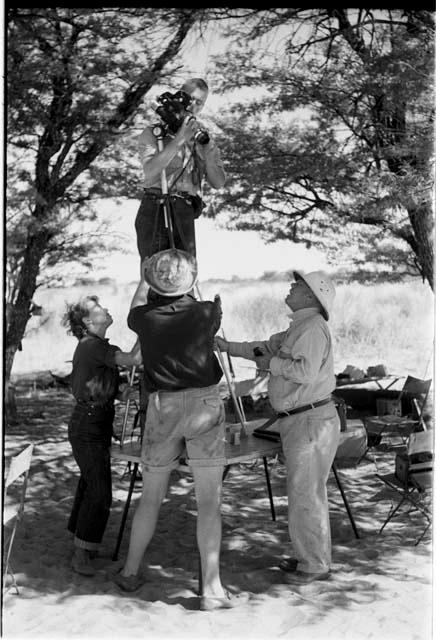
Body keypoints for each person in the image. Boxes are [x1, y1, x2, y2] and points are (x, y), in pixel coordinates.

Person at [112, 249, 244, 611]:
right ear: (190, 279)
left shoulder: (144, 318)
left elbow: (136, 305)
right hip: (203, 403)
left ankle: (130, 571)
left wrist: (144, 277)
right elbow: (203, 301)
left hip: (162, 405)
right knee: (208, 502)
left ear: (154, 282)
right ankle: (212, 589)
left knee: (151, 495)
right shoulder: (207, 312)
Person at [215, 270, 340, 584]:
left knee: (306, 494)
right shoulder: (299, 326)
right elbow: (263, 348)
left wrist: (271, 364)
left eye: (298, 285)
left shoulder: (312, 328)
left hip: (309, 420)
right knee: (304, 493)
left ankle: (314, 565)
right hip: (301, 419)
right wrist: (227, 347)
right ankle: (308, 557)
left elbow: (305, 372)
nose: (292, 286)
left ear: (311, 296)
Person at [62, 295, 142, 576]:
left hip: (93, 421)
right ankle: (80, 554)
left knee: (90, 483)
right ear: (87, 321)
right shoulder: (92, 346)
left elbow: (102, 383)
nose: (107, 309)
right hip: (88, 425)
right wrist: (147, 326)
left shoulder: (96, 347)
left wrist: (123, 392)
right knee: (99, 491)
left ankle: (80, 542)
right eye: (99, 308)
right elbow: (134, 359)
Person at [134, 77, 225, 262]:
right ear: (180, 96)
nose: (193, 105)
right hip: (155, 206)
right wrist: (179, 140)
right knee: (151, 275)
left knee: (184, 274)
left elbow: (218, 182)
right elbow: (150, 171)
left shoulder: (203, 139)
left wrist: (207, 151)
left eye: (199, 102)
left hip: (184, 209)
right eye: (190, 98)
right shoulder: (154, 133)